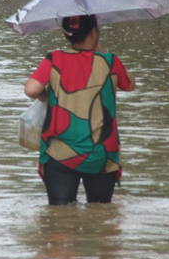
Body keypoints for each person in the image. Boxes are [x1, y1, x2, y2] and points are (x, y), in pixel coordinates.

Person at [24, 15, 136, 205]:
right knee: (100, 217)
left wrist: (45, 94)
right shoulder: (110, 61)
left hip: (59, 153)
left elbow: (31, 89)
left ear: (67, 35)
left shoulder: (54, 59)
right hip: (100, 153)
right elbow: (130, 84)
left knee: (61, 219)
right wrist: (102, 55)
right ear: (93, 32)